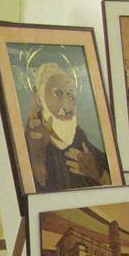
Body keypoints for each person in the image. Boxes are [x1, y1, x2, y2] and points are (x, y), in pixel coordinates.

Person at [24, 62, 110, 191]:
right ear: (38, 98)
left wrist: (97, 174)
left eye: (70, 96)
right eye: (56, 94)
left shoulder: (78, 136)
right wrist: (37, 158)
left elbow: (110, 179)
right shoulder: (33, 141)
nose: (65, 108)